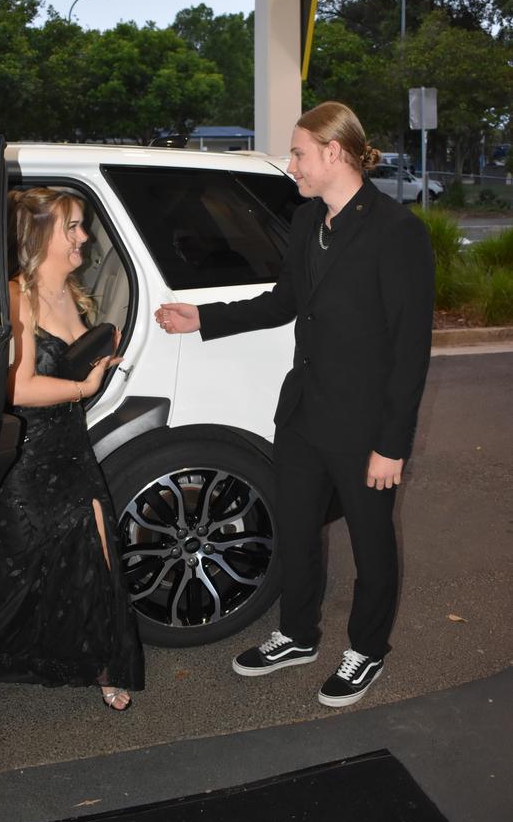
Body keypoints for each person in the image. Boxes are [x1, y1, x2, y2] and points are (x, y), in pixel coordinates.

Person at [155, 101, 434, 708]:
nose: (292, 165)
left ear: (334, 152)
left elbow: (411, 351)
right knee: (297, 529)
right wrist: (202, 318)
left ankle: (367, 651)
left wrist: (393, 444)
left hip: (364, 427)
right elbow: (282, 302)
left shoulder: (396, 231)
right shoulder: (309, 222)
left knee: (371, 541)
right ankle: (298, 634)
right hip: (304, 412)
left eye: (300, 153)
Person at [0, 187, 144, 714]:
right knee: (13, 564)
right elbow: (16, 388)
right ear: (40, 234)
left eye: (82, 226)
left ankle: (104, 664)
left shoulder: (74, 291)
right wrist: (83, 387)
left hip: (72, 443)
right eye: (72, 226)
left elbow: (65, 363)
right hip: (29, 454)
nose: (84, 237)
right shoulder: (17, 297)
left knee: (96, 549)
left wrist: (94, 363)